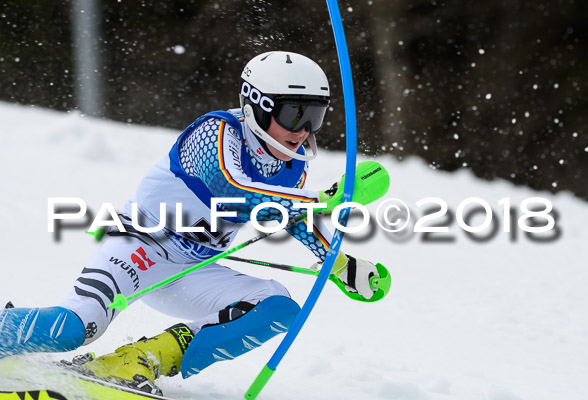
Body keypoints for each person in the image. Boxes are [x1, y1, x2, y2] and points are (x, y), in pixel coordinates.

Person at [0, 51, 380, 394]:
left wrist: (340, 263)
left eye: (315, 117)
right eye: (294, 114)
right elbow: (232, 186)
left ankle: (136, 361)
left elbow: (286, 214)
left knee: (278, 307)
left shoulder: (290, 165)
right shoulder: (214, 132)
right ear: (257, 106)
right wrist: (322, 198)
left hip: (192, 270)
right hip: (139, 251)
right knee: (74, 330)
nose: (304, 131)